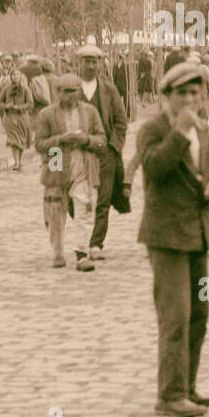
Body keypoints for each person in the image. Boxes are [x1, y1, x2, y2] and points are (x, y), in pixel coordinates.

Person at [136, 62, 209, 417]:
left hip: (198, 237)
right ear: (167, 97)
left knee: (200, 312)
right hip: (167, 239)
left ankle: (187, 386)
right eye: (182, 94)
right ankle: (169, 395)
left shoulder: (202, 130)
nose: (190, 99)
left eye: (194, 93)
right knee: (176, 314)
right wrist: (179, 133)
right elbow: (154, 167)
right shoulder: (152, 130)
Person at [35, 73, 106, 271]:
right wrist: (60, 140)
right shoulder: (47, 114)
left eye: (75, 91)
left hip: (84, 165)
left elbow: (102, 140)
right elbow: (39, 144)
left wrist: (87, 140)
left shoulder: (90, 112)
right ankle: (57, 252)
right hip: (57, 162)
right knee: (56, 212)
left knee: (83, 211)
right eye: (66, 92)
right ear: (58, 93)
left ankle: (82, 254)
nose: (71, 96)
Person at [75, 45, 128, 263]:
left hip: (104, 154)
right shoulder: (72, 89)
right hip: (77, 154)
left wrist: (113, 147)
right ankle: (83, 238)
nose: (90, 65)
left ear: (100, 63)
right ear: (78, 63)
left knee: (103, 199)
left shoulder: (108, 90)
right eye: (86, 61)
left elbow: (120, 121)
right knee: (76, 199)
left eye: (94, 61)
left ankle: (96, 243)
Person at [0, 57, 34, 171]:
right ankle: (16, 162)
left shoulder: (26, 89)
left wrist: (19, 107)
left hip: (22, 118)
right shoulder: (6, 89)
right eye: (13, 75)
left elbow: (30, 103)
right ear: (10, 77)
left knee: (21, 141)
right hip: (10, 118)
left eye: (17, 75)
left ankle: (19, 159)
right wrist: (6, 106)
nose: (15, 77)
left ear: (20, 76)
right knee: (13, 140)